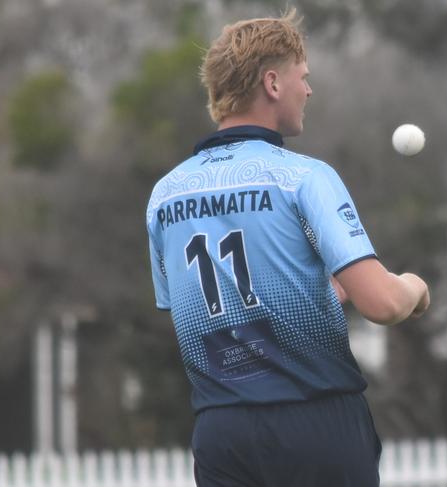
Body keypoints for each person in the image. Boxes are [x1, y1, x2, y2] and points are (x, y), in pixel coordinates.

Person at [146, 9, 430, 487]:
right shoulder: (304, 177)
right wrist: (415, 288)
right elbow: (381, 304)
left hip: (221, 435)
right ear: (273, 83)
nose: (309, 90)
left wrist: (318, 292)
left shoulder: (164, 195)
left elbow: (213, 307)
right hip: (314, 424)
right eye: (304, 77)